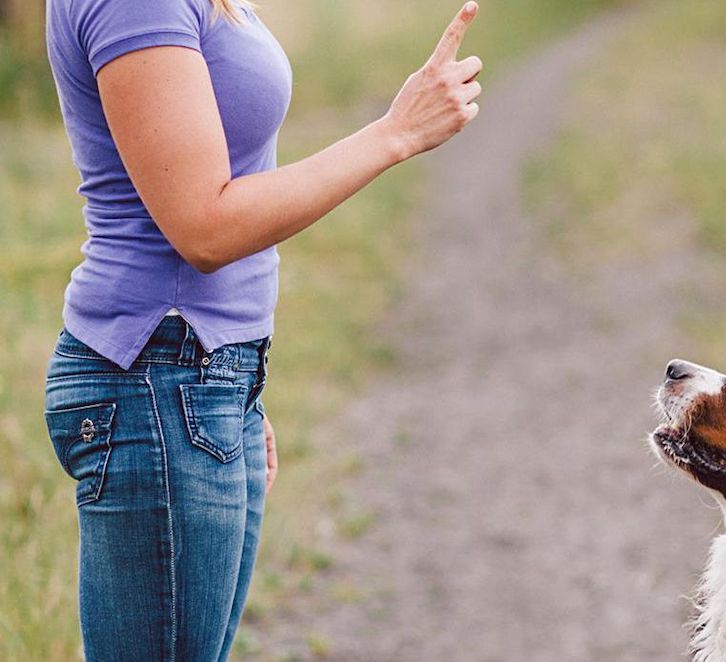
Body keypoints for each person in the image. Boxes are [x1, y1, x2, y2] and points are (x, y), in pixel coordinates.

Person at [43, 0, 483, 658]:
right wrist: (395, 134)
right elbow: (204, 228)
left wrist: (235, 381)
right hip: (159, 376)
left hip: (197, 378)